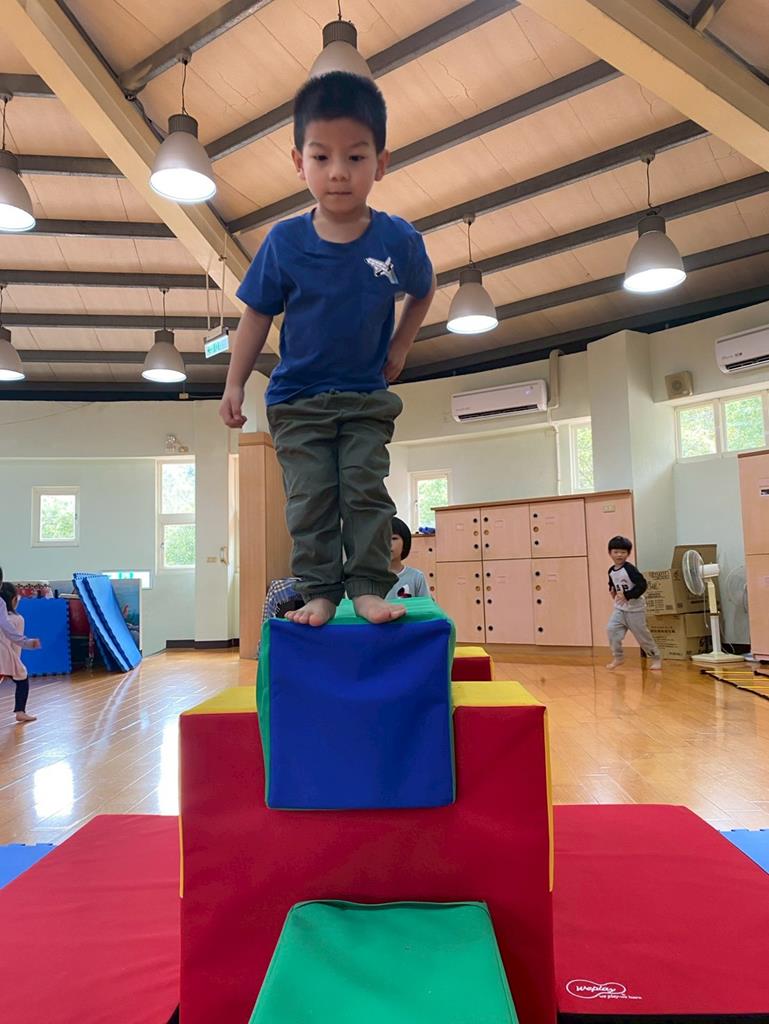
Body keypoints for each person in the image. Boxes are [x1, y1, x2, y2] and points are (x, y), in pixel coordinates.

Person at [219, 71, 436, 628]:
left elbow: (424, 288)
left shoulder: (396, 239)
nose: (338, 171)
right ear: (300, 162)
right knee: (310, 499)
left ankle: (366, 586)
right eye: (321, 157)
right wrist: (235, 381)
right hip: (298, 402)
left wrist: (402, 343)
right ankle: (318, 591)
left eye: (355, 157)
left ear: (380, 163)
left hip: (365, 396)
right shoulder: (285, 242)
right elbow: (256, 313)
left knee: (364, 489)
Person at [606, 536, 662, 671]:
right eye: (616, 552)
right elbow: (612, 582)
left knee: (642, 636)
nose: (619, 555)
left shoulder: (630, 569)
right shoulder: (611, 570)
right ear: (610, 553)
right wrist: (612, 590)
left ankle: (656, 657)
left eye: (623, 552)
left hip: (635, 610)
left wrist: (628, 595)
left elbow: (642, 585)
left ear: (628, 553)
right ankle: (618, 657)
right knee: (611, 630)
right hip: (620, 609)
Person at [0, 582, 37, 723]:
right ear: (14, 600)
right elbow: (16, 644)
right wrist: (16, 663)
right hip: (5, 654)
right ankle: (20, 711)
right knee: (22, 677)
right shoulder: (17, 619)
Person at [387, 517, 429, 600]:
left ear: (405, 543)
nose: (387, 543)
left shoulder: (416, 577)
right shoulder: (368, 578)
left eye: (394, 538)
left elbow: (425, 606)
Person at [0, 566, 40, 651]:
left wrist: (26, 642)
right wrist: (26, 642)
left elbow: (6, 626)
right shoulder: (17, 619)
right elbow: (15, 649)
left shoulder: (1, 604)